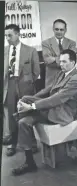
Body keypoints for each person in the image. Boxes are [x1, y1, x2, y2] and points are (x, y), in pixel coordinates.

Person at [11, 49, 77, 176]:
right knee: (23, 122)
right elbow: (47, 90)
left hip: (63, 113)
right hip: (51, 109)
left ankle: (16, 118)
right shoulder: (61, 74)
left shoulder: (75, 79)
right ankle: (29, 162)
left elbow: (57, 98)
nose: (61, 64)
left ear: (73, 62)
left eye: (64, 62)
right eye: (60, 61)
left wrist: (32, 106)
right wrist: (30, 99)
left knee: (25, 106)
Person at [4, 24, 40, 157]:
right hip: (10, 85)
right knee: (12, 116)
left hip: (26, 85)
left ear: (18, 34)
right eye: (6, 35)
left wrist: (27, 81)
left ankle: (32, 143)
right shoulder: (4, 51)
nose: (7, 38)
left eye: (10, 35)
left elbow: (36, 72)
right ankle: (12, 144)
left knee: (27, 113)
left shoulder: (30, 51)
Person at [42, 19, 76, 87]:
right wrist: (65, 59)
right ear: (53, 29)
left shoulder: (71, 43)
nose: (59, 32)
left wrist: (54, 59)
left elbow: (72, 60)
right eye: (56, 29)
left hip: (67, 79)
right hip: (52, 80)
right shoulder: (46, 43)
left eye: (61, 29)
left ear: (65, 30)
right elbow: (47, 60)